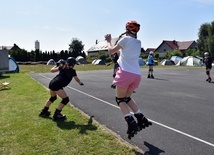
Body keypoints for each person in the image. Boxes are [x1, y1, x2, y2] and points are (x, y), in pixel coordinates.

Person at [105, 20, 152, 139]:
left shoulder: (125, 39)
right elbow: (124, 52)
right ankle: (140, 117)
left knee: (120, 99)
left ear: (127, 29)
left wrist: (109, 41)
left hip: (125, 73)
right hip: (136, 75)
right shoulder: (138, 42)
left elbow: (111, 51)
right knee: (127, 98)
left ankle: (131, 122)